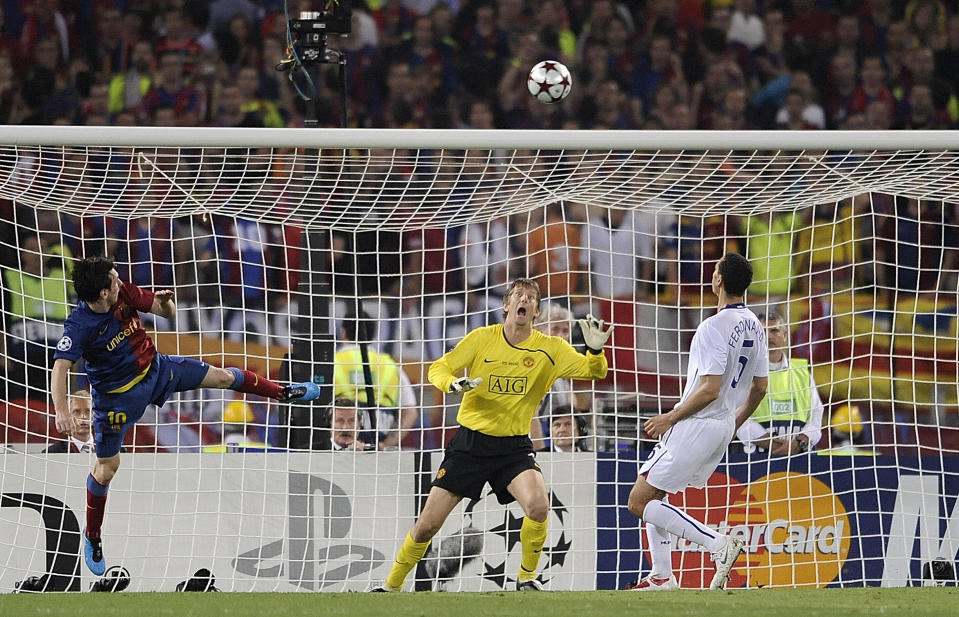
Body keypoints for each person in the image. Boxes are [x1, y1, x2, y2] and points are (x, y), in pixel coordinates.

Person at [51, 256, 319, 577]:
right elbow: (60, 367)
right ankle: (93, 536)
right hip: (117, 400)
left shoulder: (124, 292)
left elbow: (167, 312)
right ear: (103, 294)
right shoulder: (79, 325)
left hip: (157, 370)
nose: (119, 280)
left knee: (221, 377)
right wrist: (62, 411)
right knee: (107, 468)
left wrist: (166, 306)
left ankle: (283, 392)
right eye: (113, 279)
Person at [374, 278, 612, 592]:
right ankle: (390, 586)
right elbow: (439, 368)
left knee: (539, 506)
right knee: (428, 525)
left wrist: (595, 350)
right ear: (506, 306)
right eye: (517, 296)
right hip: (470, 444)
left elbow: (594, 372)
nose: (523, 301)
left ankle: (526, 579)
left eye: (529, 297)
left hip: (513, 447)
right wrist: (453, 385)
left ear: (536, 312)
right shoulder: (482, 338)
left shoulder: (552, 348)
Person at [625, 253, 769, 591]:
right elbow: (760, 387)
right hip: (720, 426)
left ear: (718, 281)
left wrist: (669, 417)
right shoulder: (755, 325)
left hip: (696, 424)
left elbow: (709, 388)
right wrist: (734, 423)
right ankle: (661, 576)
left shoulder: (712, 327)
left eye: (715, 268)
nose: (713, 273)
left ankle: (719, 545)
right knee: (655, 495)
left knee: (639, 501)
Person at [735, 309, 823, 456]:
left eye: (775, 330)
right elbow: (735, 418)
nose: (768, 336)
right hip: (755, 460)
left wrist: (799, 443)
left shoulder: (802, 373)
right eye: (763, 331)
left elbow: (816, 417)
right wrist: (775, 446)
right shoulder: (743, 372)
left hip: (799, 458)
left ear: (785, 336)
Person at [334, 310, 418, 450]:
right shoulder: (391, 367)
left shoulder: (332, 363)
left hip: (339, 450)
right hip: (377, 450)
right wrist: (385, 444)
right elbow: (410, 412)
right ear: (372, 335)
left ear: (343, 333)